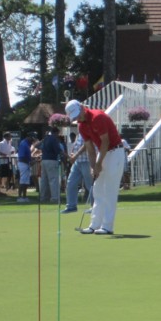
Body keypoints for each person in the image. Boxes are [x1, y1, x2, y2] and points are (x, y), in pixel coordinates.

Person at [65, 99, 125, 235]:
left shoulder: (98, 117)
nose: (78, 118)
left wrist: (98, 164)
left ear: (82, 107)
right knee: (97, 190)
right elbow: (90, 148)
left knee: (109, 189)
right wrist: (93, 167)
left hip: (115, 152)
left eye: (78, 114)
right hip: (103, 153)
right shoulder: (81, 126)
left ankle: (107, 226)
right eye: (75, 116)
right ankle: (94, 225)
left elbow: (106, 142)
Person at [62, 132, 93, 213]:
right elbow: (76, 144)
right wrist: (73, 154)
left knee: (90, 185)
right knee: (71, 183)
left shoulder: (88, 128)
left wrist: (75, 155)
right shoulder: (80, 131)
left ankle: (95, 207)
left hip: (87, 160)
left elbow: (87, 144)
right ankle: (71, 206)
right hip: (78, 161)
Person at [36, 126, 66, 203]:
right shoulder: (54, 139)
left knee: (44, 180)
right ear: (56, 133)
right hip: (52, 160)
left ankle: (43, 197)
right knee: (53, 180)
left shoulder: (46, 138)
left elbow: (38, 146)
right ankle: (54, 198)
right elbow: (58, 150)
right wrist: (66, 156)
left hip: (44, 160)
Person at [16, 132, 39, 203]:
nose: (33, 141)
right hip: (23, 164)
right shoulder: (24, 144)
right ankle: (20, 197)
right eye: (32, 139)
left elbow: (28, 156)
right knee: (22, 181)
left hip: (25, 163)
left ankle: (24, 197)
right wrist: (31, 162)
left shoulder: (27, 144)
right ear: (29, 137)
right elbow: (22, 157)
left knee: (26, 182)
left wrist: (34, 160)